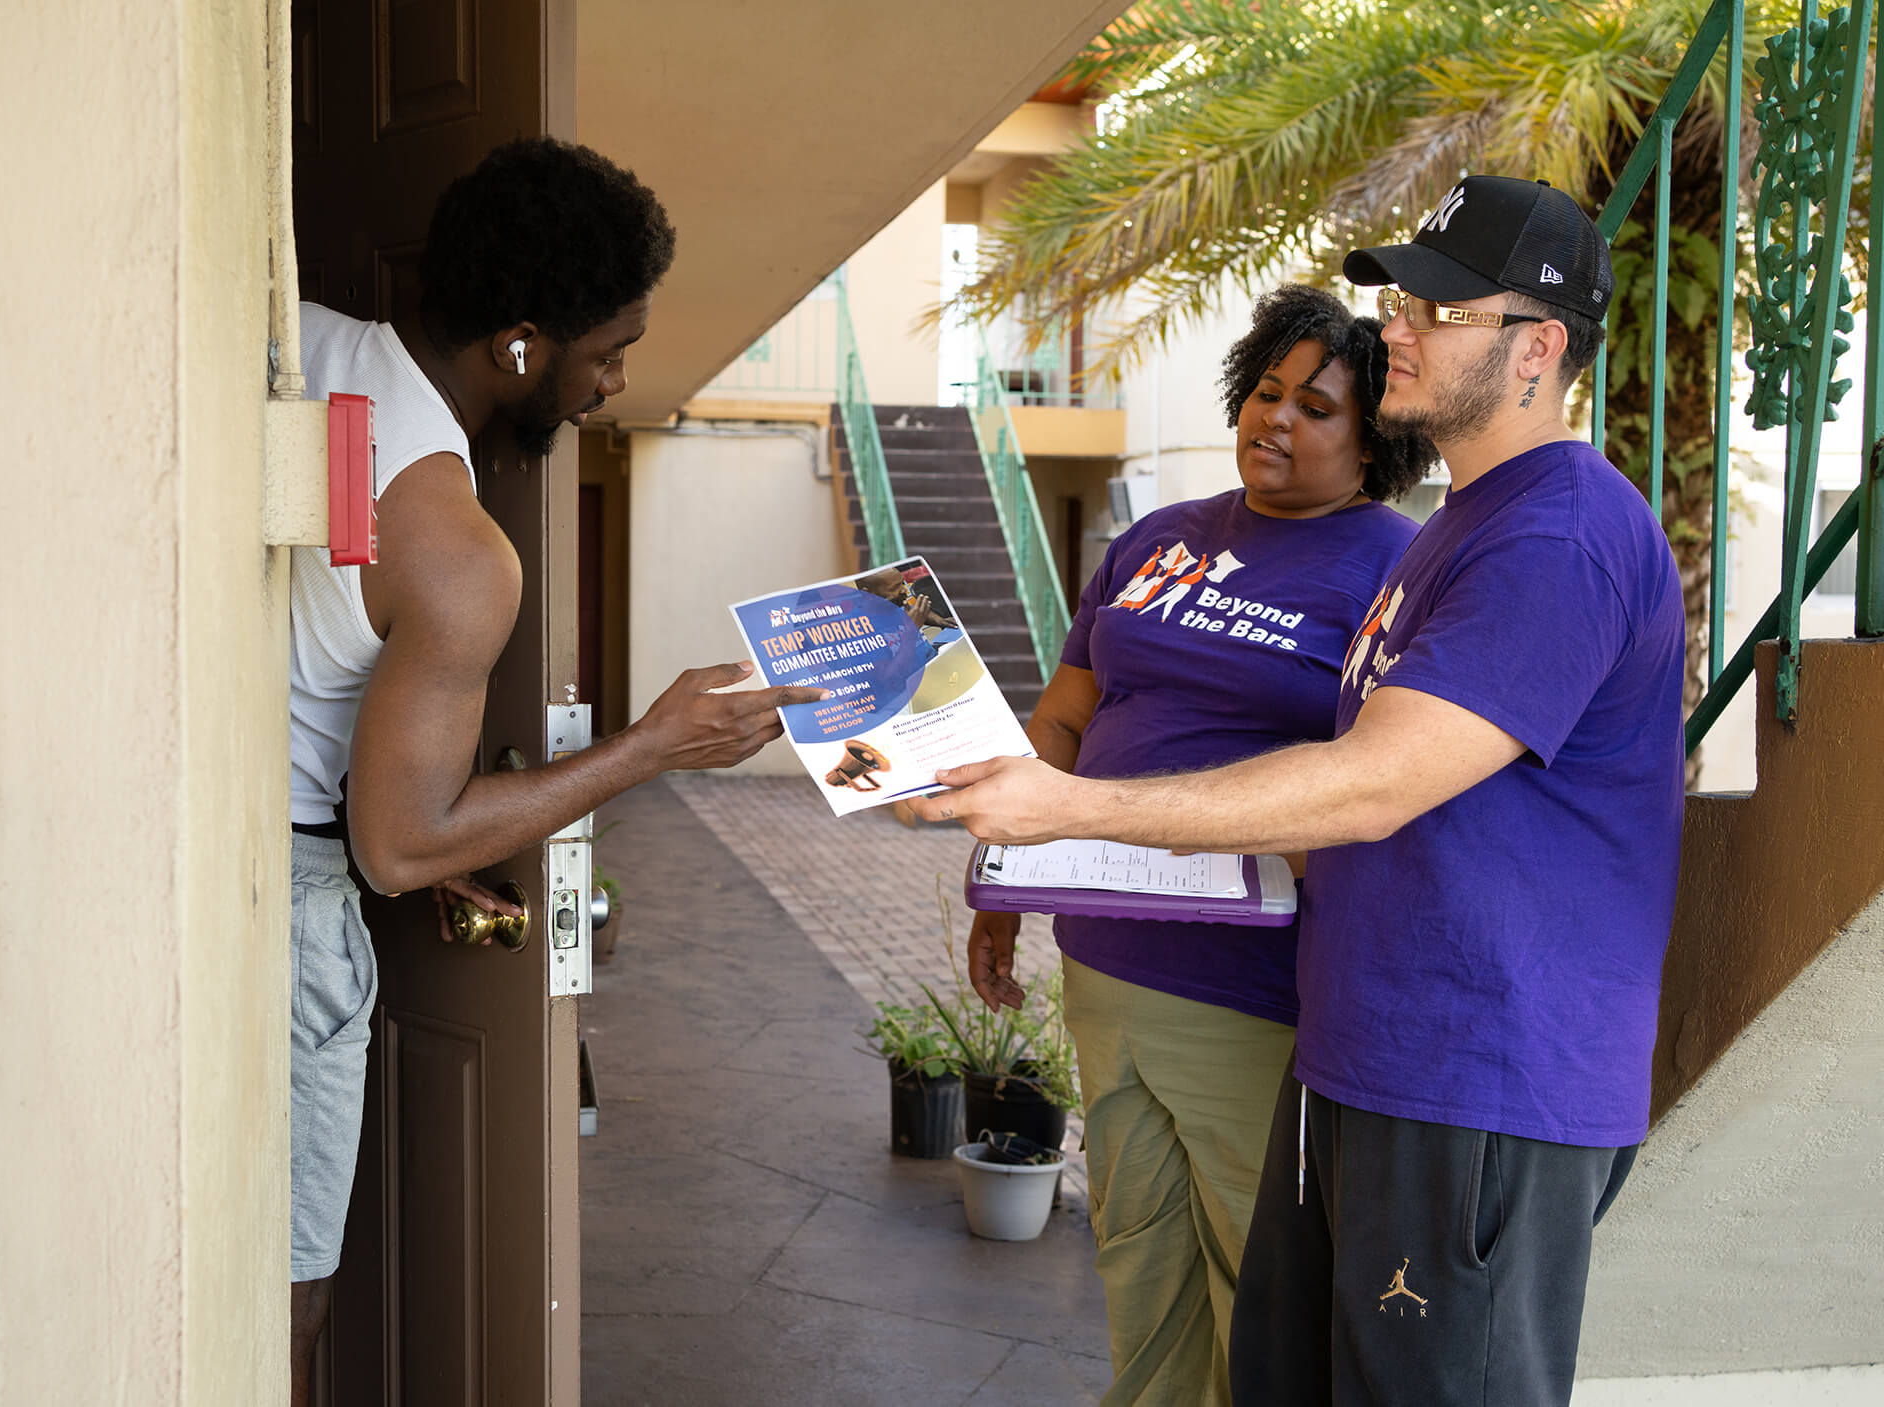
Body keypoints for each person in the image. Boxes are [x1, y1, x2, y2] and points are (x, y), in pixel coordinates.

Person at [912, 175, 1685, 1407]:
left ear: (1536, 349)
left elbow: (1376, 785)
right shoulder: (1465, 523)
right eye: (1399, 301)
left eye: (1436, 311)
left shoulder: (1560, 535)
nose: (1397, 329)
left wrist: (1070, 811)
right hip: (1364, 1055)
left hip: (1476, 1080)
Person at [286, 138, 824, 1404]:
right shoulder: (460, 552)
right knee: (283, 1305)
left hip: (201, 847)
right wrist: (650, 746)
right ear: (521, 346)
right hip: (291, 913)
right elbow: (399, 846)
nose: (615, 381)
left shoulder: (296, 342)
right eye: (609, 351)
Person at [963, 285, 1435, 1406]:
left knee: (1253, 1280)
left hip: (1249, 990)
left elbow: (1385, 778)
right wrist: (1003, 883)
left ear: (1374, 440)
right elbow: (1063, 718)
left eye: (1315, 408)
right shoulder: (1156, 538)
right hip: (1104, 964)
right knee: (1135, 1255)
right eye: (1267, 391)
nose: (1275, 419)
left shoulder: (1399, 567)